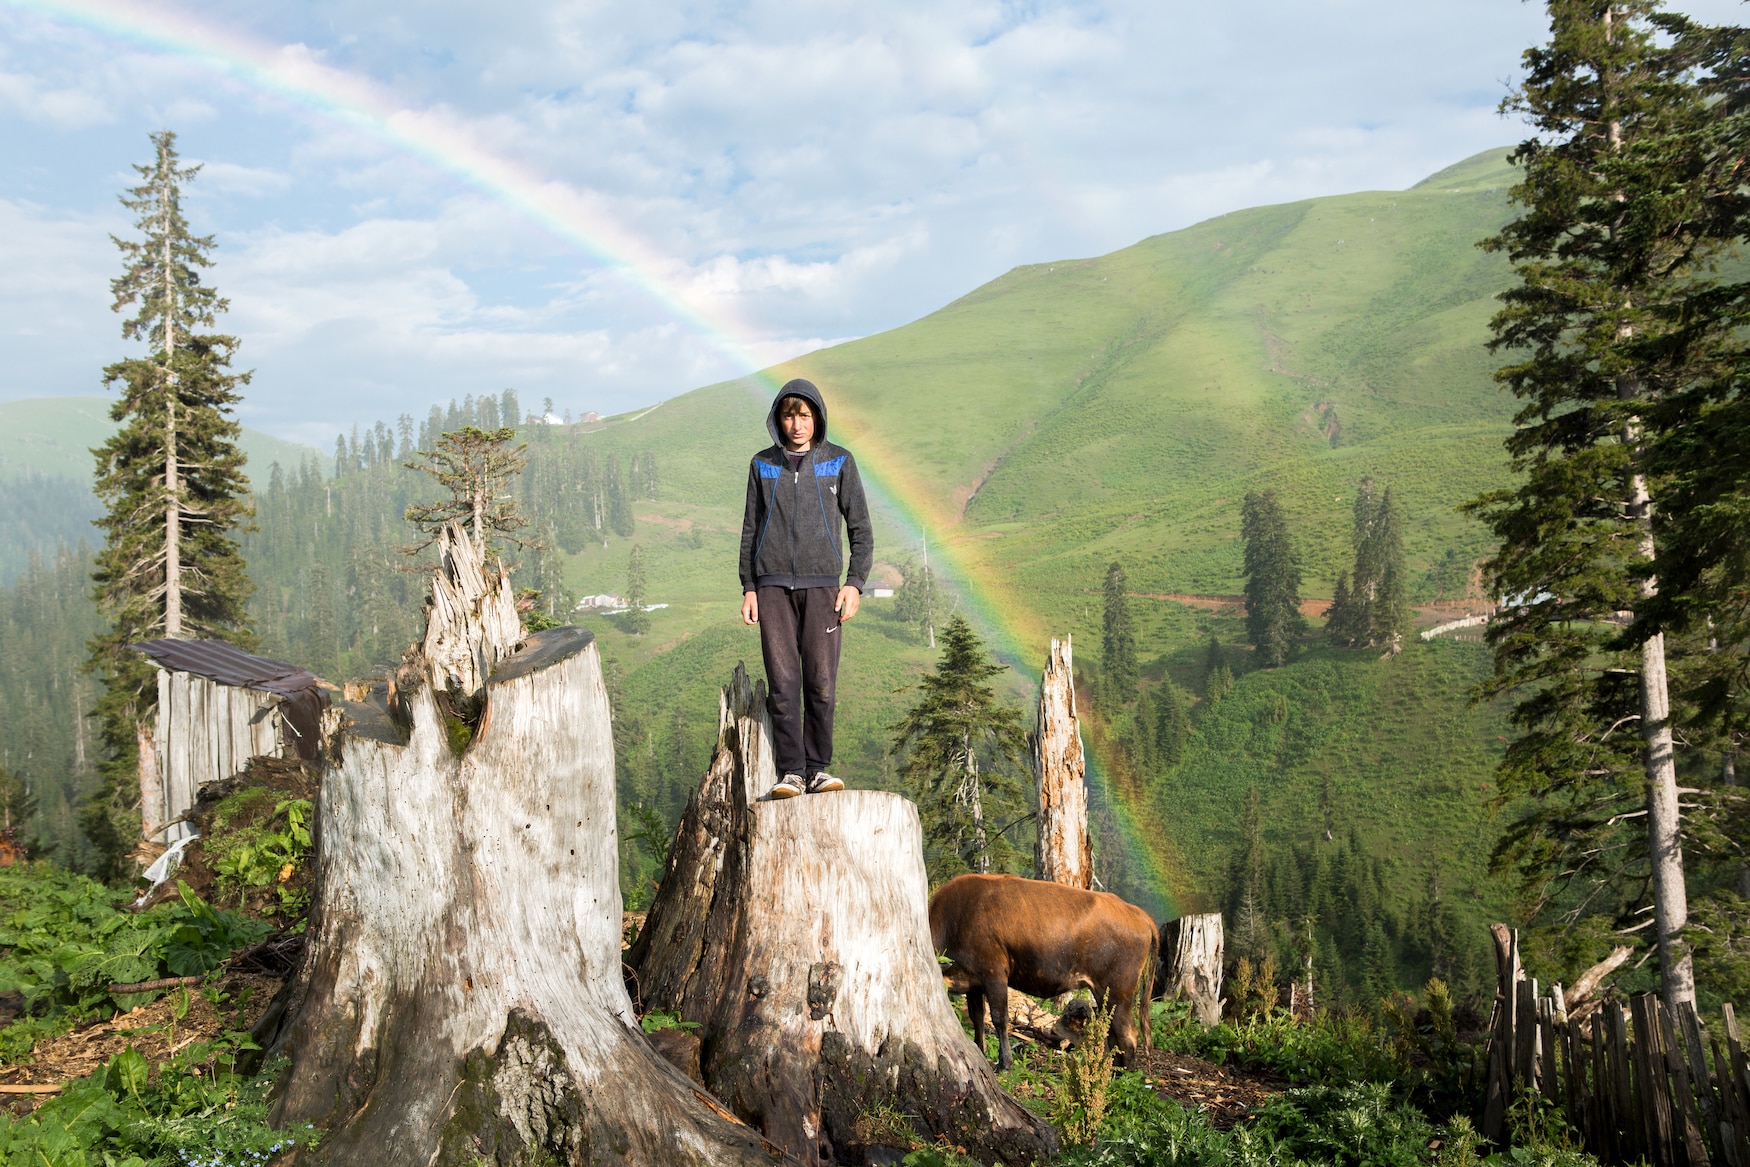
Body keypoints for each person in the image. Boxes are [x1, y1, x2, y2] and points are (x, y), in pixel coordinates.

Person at [739, 379, 873, 798]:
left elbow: (861, 531)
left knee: (821, 682)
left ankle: (817, 768)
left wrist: (854, 584)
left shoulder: (839, 462)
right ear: (778, 420)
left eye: (805, 415)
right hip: (772, 587)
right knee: (782, 682)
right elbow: (749, 529)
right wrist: (749, 586)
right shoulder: (762, 465)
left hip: (823, 589)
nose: (797, 424)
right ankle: (791, 772)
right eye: (788, 415)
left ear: (817, 417)